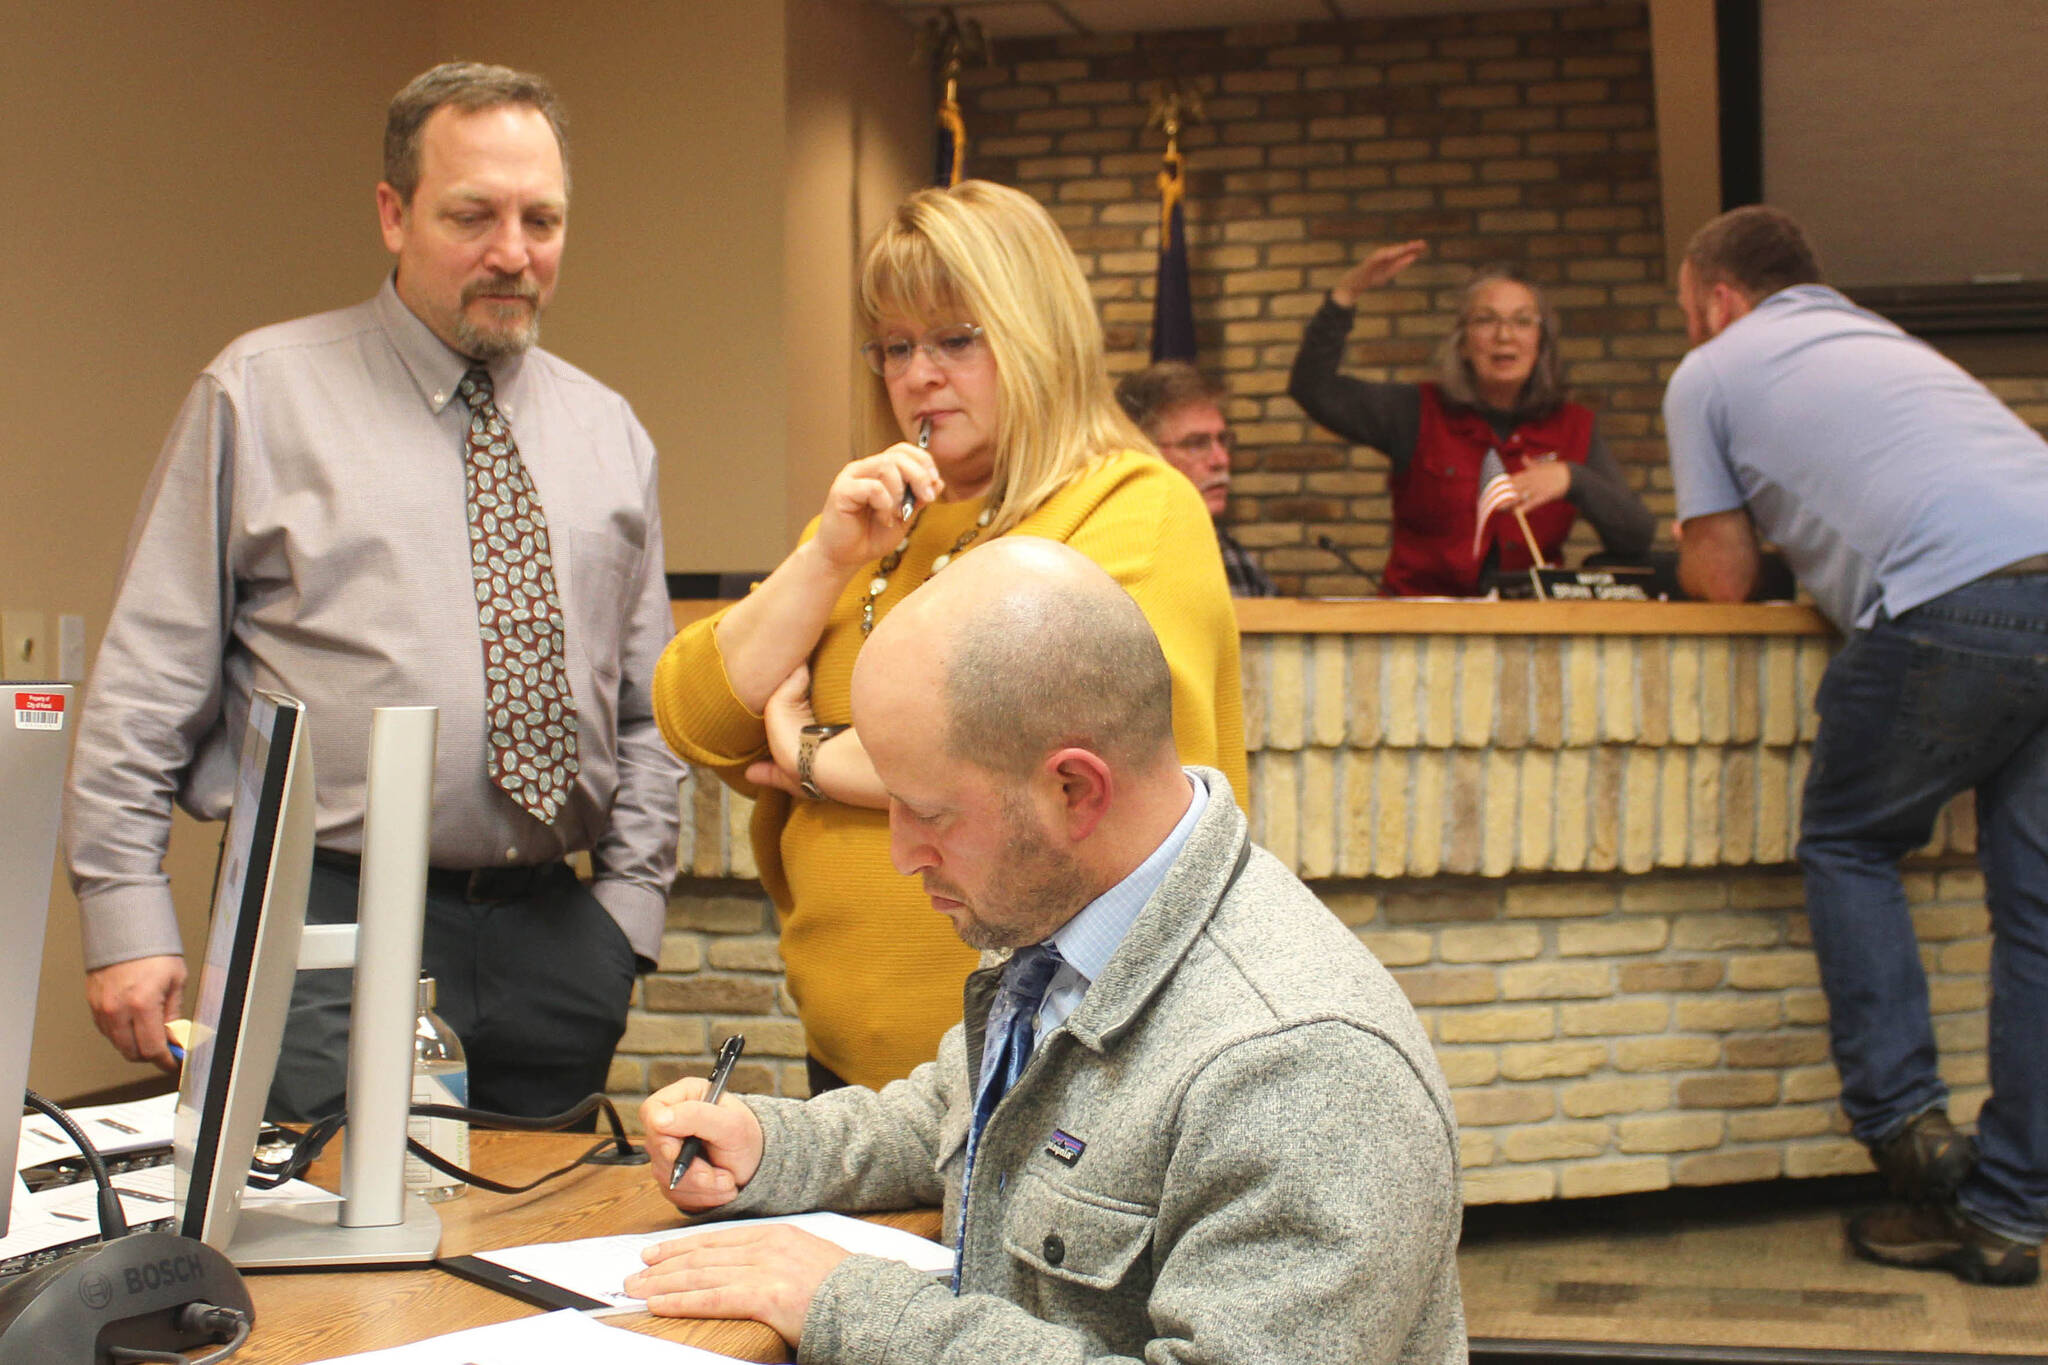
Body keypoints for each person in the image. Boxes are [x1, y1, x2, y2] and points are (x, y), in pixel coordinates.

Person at [631, 539, 1464, 1363]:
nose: (902, 853)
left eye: (930, 812)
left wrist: (853, 1306)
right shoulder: (1066, 913)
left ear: (1074, 791)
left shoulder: (1303, 1069)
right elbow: (968, 1113)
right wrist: (776, 1146)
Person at [64, 62, 682, 1122]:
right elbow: (148, 677)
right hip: (322, 921)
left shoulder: (608, 431)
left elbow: (647, 707)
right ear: (393, 214)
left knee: (534, 1249)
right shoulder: (261, 394)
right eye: (472, 215)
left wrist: (622, 919)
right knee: (339, 1253)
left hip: (554, 944)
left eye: (542, 219)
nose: (512, 253)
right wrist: (127, 913)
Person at [652, 181, 1247, 1095]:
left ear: (1034, 332)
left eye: (956, 338)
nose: (918, 373)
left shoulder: (1132, 502)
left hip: (1054, 1063)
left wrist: (809, 756)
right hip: (855, 1069)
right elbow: (693, 714)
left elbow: (1045, 752)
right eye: (895, 345)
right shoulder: (881, 514)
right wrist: (825, 560)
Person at [1667, 204, 2048, 1286]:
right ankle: (2007, 1216)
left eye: (1690, 314)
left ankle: (1905, 1133)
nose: (1694, 332)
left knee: (1846, 840)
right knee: (2034, 911)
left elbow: (1723, 577)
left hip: (1944, 598)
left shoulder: (1713, 368)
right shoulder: (1882, 343)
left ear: (1717, 297)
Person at [1288, 241, 1654, 596]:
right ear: (1463, 343)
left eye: (1522, 322)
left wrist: (1574, 479)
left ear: (1541, 341)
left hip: (1529, 627)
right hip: (1423, 626)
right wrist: (1347, 293)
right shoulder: (1416, 410)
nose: (1504, 336)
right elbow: (1313, 388)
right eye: (1486, 321)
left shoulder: (1574, 426)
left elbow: (1636, 537)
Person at [1114, 361, 1276, 596]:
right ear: (1143, 452)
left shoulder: (1225, 549)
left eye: (1223, 440)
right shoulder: (1123, 555)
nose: (1221, 460)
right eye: (1196, 444)